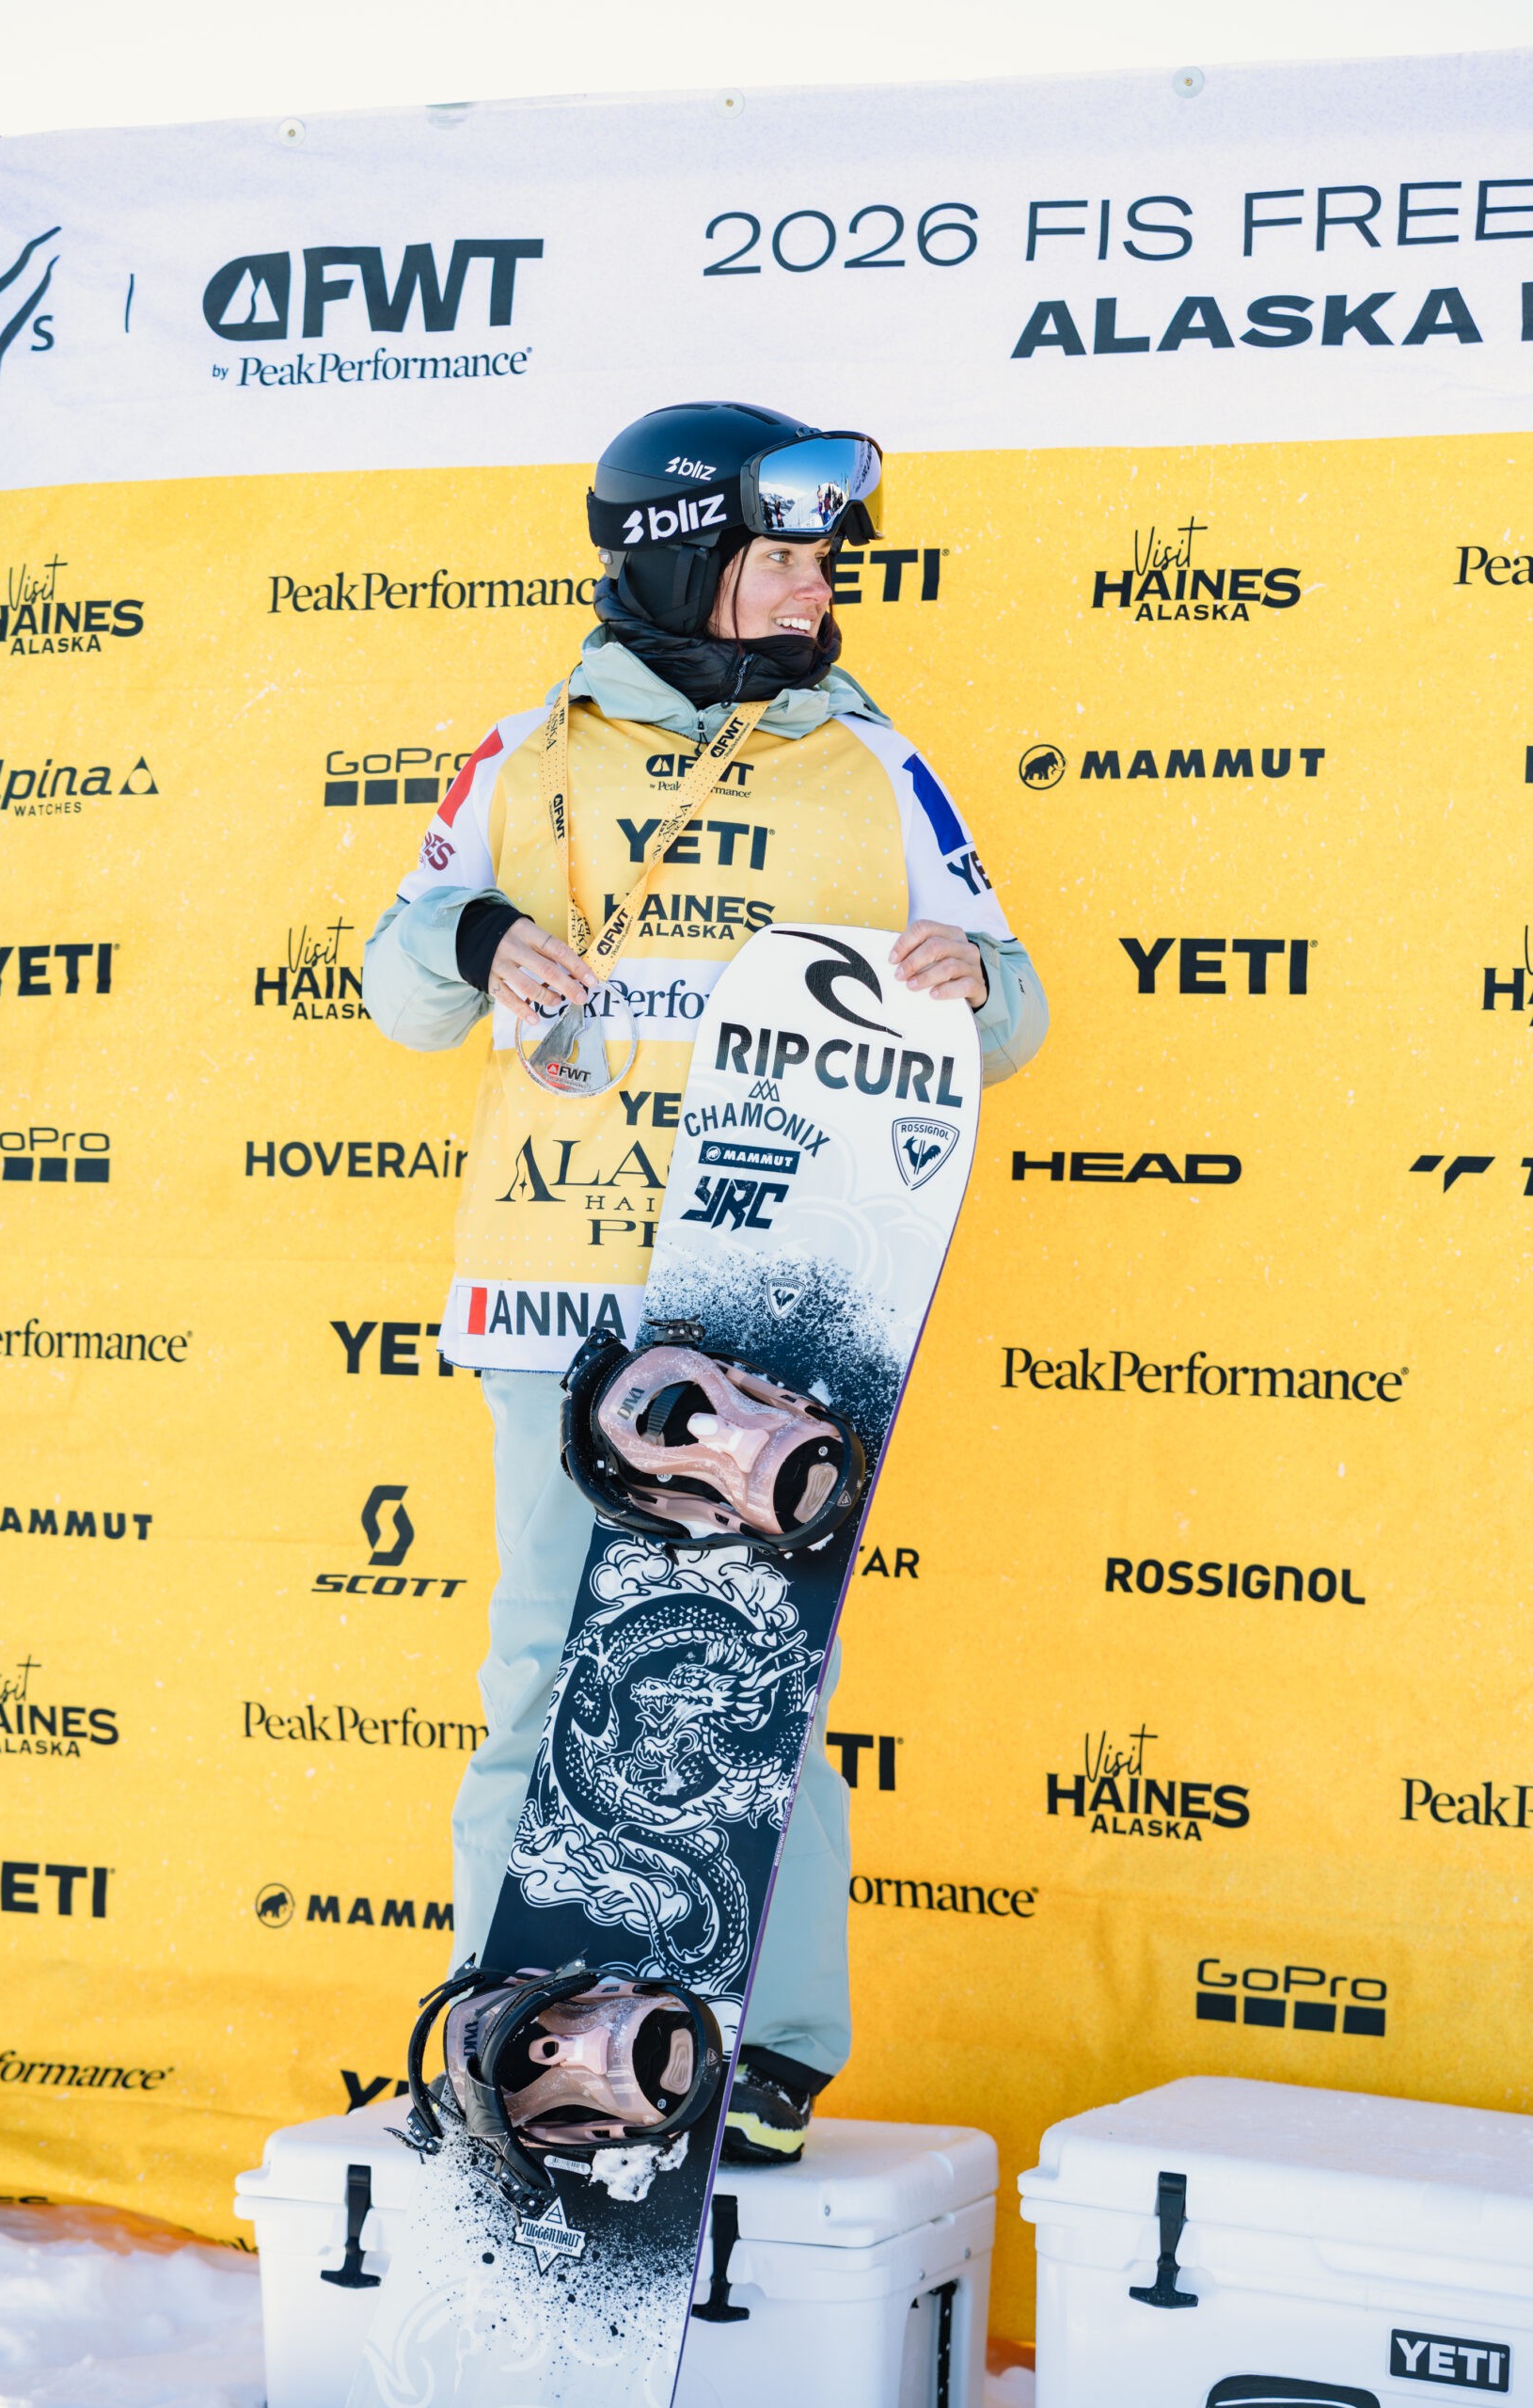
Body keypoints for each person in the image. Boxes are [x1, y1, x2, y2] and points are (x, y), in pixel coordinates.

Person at [364, 400, 1048, 2162]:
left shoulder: (874, 761)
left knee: (758, 1673)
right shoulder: (530, 754)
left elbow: (1016, 1009)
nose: (820, 585)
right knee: (543, 1672)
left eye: (823, 556)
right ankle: (504, 2034)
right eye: (782, 554)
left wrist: (974, 977)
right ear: (681, 555)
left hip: (771, 1298)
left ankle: (770, 2049)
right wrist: (475, 933)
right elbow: (396, 980)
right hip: (558, 1281)